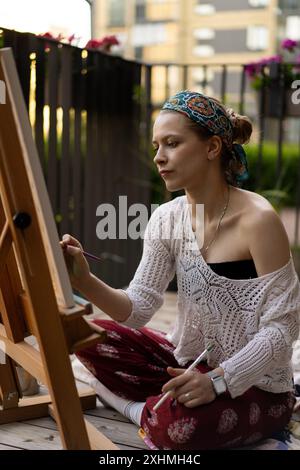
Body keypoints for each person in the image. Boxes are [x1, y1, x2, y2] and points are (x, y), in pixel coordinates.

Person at [61, 90, 300, 450]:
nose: (159, 157)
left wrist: (219, 381)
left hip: (258, 384)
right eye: (157, 145)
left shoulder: (259, 220)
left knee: (178, 430)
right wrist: (84, 280)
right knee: (90, 337)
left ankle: (143, 412)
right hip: (188, 362)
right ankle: (154, 410)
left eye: (172, 143)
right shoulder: (166, 218)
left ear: (213, 147)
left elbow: (284, 326)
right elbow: (138, 307)